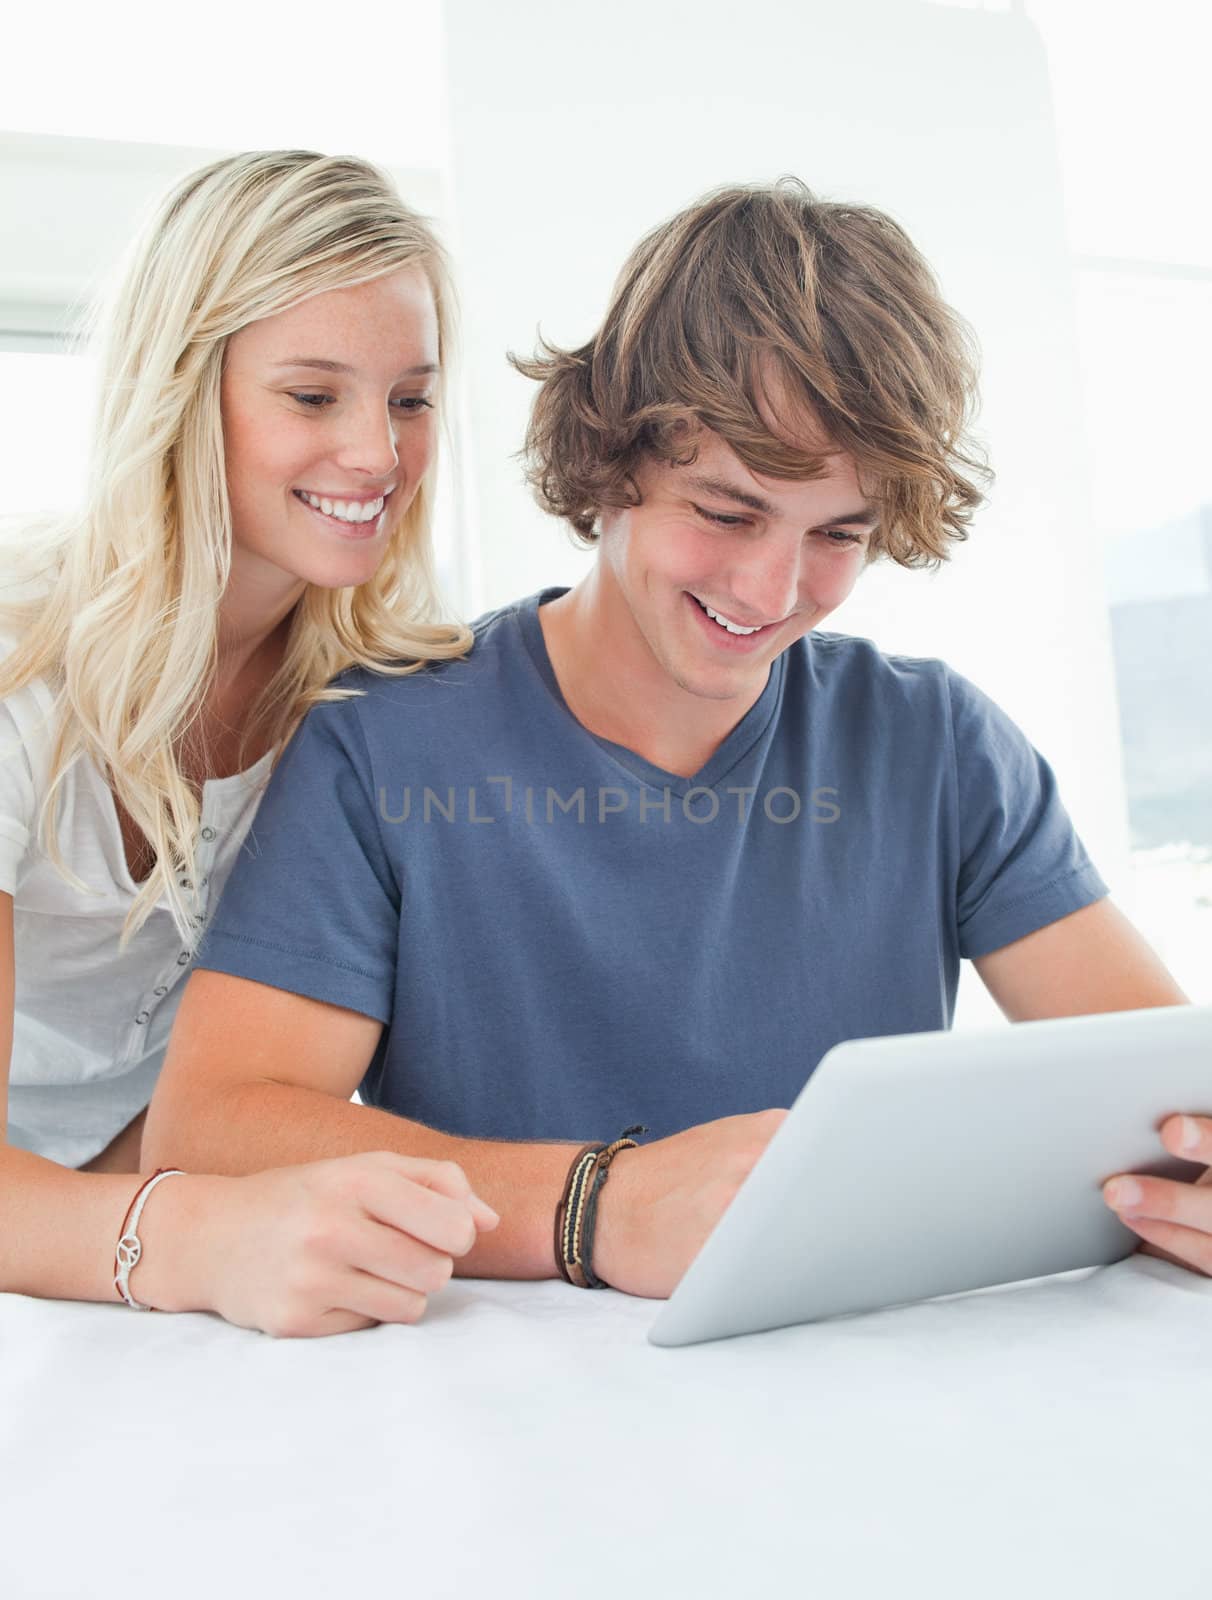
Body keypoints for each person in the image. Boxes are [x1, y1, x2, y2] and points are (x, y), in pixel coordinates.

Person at [145, 179, 1205, 1304]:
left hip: (867, 1391)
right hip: (512, 1412)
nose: (772, 588)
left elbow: (1160, 1098)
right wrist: (596, 1208)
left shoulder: (936, 745)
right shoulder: (383, 746)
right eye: (727, 511)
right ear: (611, 460)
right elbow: (210, 1132)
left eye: (837, 533)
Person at [0, 149, 497, 1336]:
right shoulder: (21, 675)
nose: (378, 455)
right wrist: (195, 1238)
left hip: (134, 1221)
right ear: (182, 393)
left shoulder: (383, 698)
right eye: (314, 396)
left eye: (411, 399)